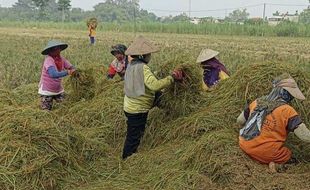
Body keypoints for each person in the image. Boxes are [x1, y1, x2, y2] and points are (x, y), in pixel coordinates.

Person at [122, 36, 184, 159]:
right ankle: (127, 159)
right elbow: (154, 85)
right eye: (148, 54)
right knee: (133, 137)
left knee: (160, 98)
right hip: (137, 109)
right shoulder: (143, 67)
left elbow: (144, 81)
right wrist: (171, 77)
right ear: (142, 56)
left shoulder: (131, 66)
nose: (149, 56)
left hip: (131, 104)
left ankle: (172, 114)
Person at [237, 73, 310, 173]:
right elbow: (304, 136)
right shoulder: (287, 111)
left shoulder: (257, 101)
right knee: (292, 157)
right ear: (284, 93)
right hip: (266, 152)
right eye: (291, 95)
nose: (292, 98)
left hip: (244, 144)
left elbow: (240, 120)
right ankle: (277, 166)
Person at [38, 40, 76, 111]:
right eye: (55, 49)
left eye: (58, 49)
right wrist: (68, 72)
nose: (58, 50)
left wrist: (75, 71)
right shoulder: (49, 60)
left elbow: (71, 67)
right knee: (46, 111)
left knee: (67, 104)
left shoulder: (61, 59)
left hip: (57, 89)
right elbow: (53, 74)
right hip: (47, 90)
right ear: (50, 51)